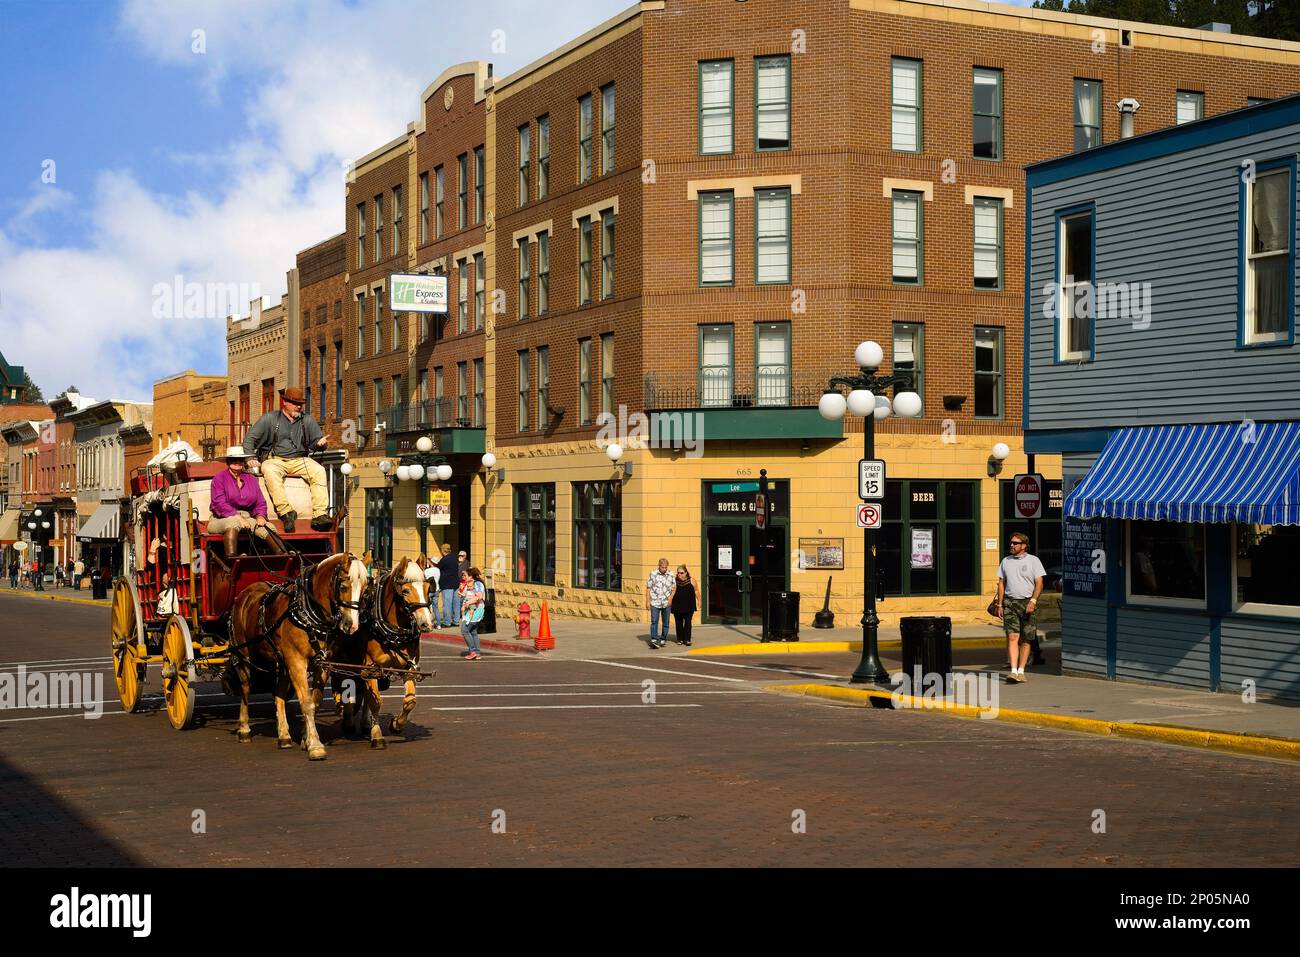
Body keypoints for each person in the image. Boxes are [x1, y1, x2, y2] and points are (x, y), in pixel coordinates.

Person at [242, 386, 330, 533]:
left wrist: (321, 444)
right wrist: (250, 458)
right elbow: (249, 440)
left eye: (300, 404)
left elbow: (316, 442)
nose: (298, 407)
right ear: (285, 403)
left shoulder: (307, 420)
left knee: (319, 470)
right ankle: (286, 512)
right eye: (295, 403)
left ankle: (320, 514)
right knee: (269, 470)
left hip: (300, 459)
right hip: (275, 459)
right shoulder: (270, 419)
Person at [207, 446, 284, 556]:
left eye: (240, 459)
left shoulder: (251, 479)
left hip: (248, 518)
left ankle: (283, 557)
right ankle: (232, 559)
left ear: (243, 461)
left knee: (268, 527)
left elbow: (260, 502)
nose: (237, 462)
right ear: (228, 462)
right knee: (233, 522)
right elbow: (219, 504)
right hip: (221, 519)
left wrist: (260, 516)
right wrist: (238, 517)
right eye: (234, 460)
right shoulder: (219, 479)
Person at [996, 533, 1046, 683]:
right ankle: (1012, 671)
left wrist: (1033, 601)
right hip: (1010, 603)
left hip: (1027, 603)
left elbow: (1039, 583)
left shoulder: (1033, 561)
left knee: (1026, 638)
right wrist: (1000, 604)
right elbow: (1001, 583)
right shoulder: (1005, 561)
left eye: (1015, 543)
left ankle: (1021, 671)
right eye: (1011, 543)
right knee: (1012, 636)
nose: (1011, 545)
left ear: (1024, 545)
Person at [645, 557, 675, 649]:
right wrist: (647, 601)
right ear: (659, 566)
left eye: (666, 567)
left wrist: (670, 599)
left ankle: (663, 638)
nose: (664, 569)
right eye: (663, 567)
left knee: (666, 622)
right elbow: (648, 588)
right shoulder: (653, 574)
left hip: (666, 602)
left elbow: (674, 589)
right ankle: (654, 639)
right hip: (655, 602)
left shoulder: (670, 574)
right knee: (654, 621)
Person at [458, 566, 487, 660]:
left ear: (471, 576)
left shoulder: (478, 584)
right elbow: (467, 595)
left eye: (465, 575)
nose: (463, 577)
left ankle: (472, 651)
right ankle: (477, 652)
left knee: (464, 630)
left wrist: (468, 603)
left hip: (477, 609)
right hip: (469, 610)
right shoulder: (467, 584)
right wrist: (461, 594)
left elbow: (479, 596)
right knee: (473, 631)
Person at [669, 564, 697, 647]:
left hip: (689, 605)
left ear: (686, 573)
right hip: (677, 605)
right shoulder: (674, 581)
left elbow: (696, 591)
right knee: (678, 622)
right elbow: (671, 592)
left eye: (681, 573)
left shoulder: (692, 580)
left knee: (688, 622)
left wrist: (699, 601)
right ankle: (680, 639)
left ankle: (687, 639)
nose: (679, 575)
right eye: (678, 573)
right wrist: (669, 600)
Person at [436, 543, 460, 628]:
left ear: (442, 551)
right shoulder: (454, 558)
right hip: (456, 584)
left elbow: (437, 567)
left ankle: (447, 622)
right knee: (456, 603)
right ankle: (456, 621)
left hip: (447, 585)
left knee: (447, 604)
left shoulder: (444, 560)